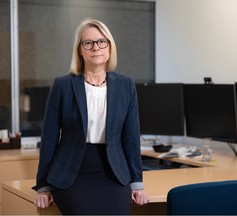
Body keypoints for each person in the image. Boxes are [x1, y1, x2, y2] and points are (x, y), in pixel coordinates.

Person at [32, 18, 149, 215]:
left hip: (114, 173)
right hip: (72, 173)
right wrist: (43, 186)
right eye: (88, 43)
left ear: (110, 47)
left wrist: (137, 183)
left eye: (102, 41)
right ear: (80, 50)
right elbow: (50, 138)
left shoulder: (125, 85)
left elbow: (131, 137)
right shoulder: (63, 86)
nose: (96, 48)